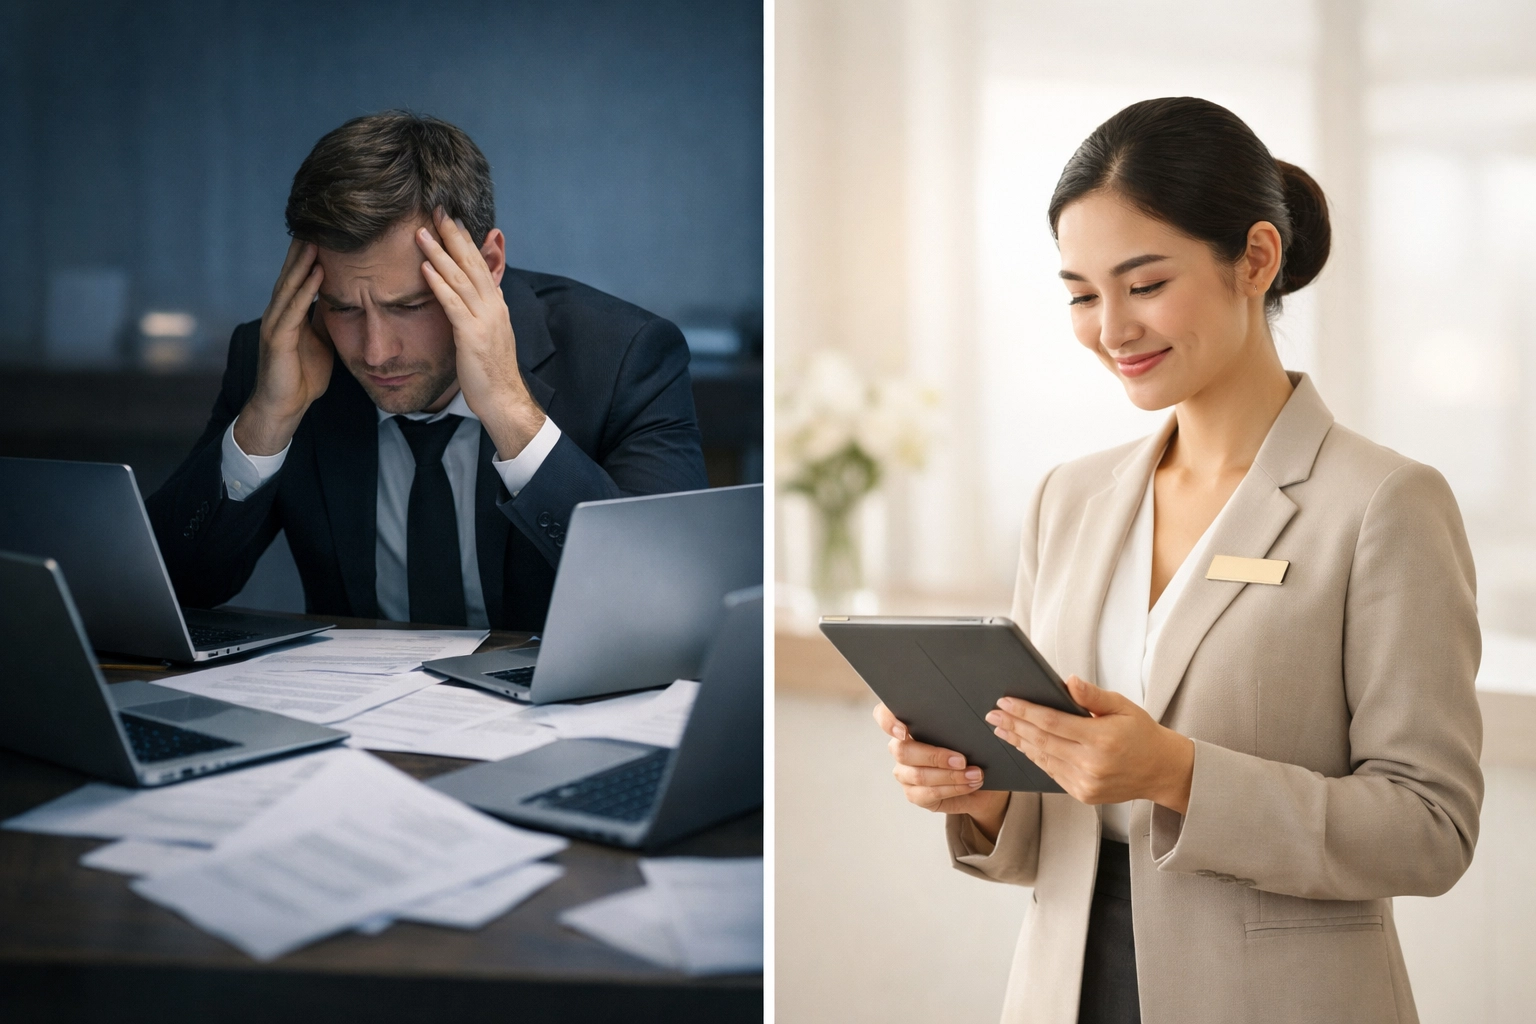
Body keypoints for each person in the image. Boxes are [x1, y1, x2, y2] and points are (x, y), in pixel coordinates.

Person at [874, 97, 1482, 1024]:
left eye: (1145, 284)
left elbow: (1430, 831)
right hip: (1066, 991)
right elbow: (1048, 835)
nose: (1111, 328)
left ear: (1256, 259)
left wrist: (1177, 773)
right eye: (1082, 294)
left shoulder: (1383, 503)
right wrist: (982, 789)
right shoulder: (1066, 501)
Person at [148, 111, 707, 630]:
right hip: (353, 725)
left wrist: (513, 413)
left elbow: (664, 603)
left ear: (486, 265)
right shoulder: (280, 356)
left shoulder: (625, 356)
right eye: (343, 307)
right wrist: (266, 422)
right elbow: (171, 590)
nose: (374, 351)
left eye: (410, 306)